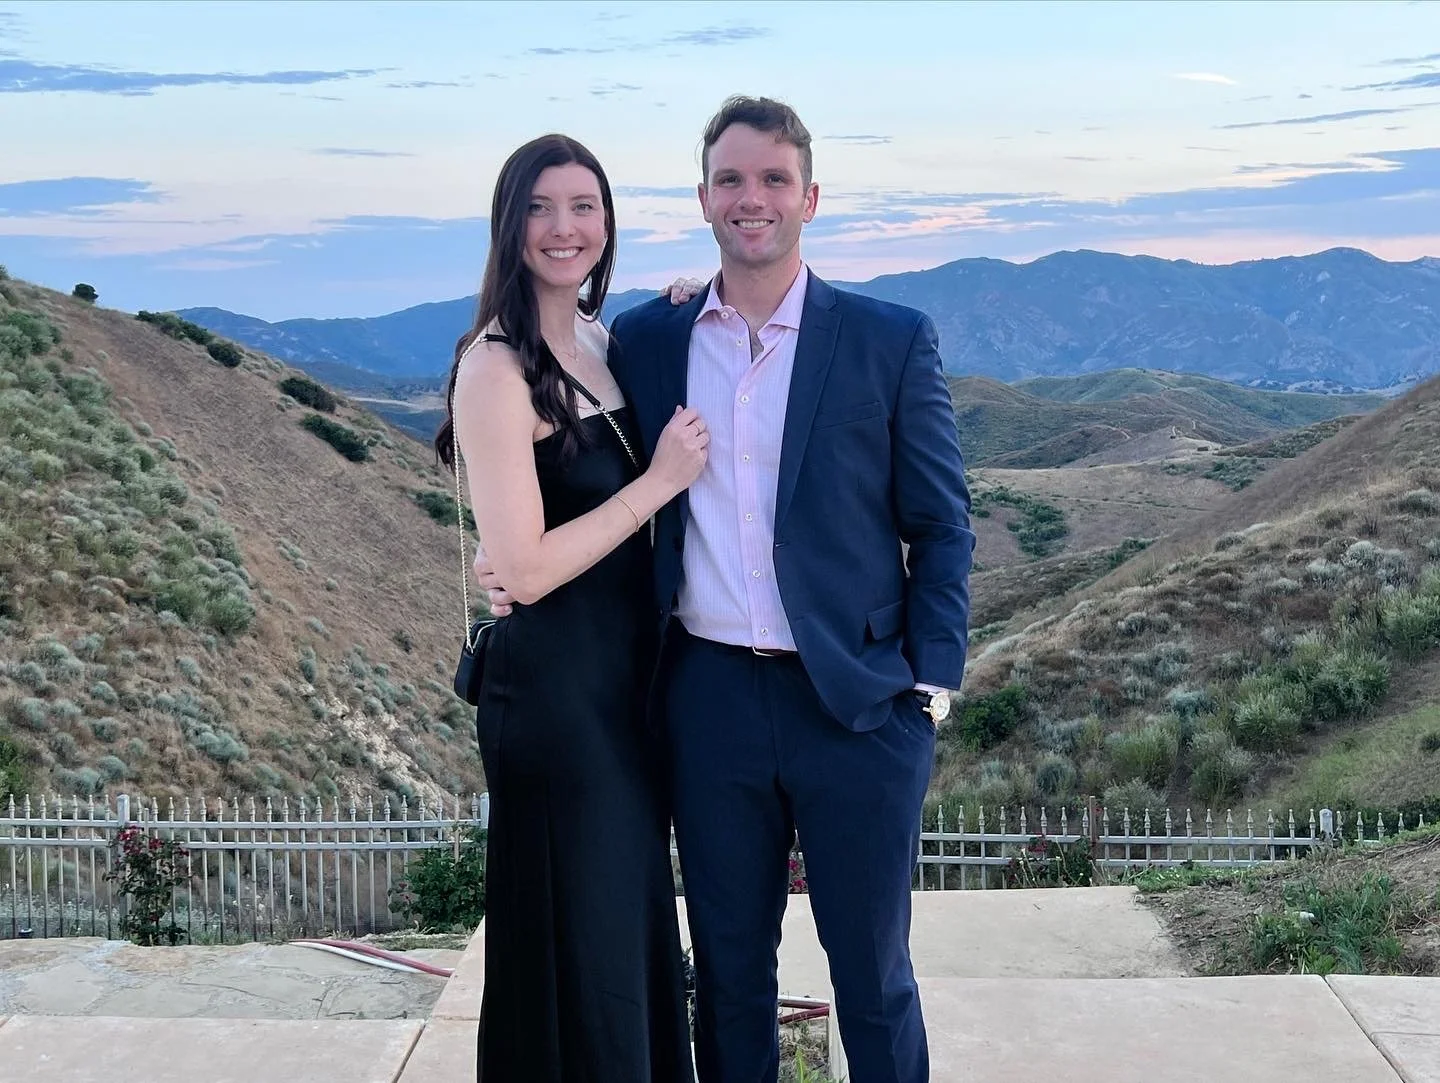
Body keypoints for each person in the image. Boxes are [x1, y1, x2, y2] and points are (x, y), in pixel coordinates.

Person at [486, 95, 975, 1083]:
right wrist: (508, 558)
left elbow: (942, 524)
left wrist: (930, 688)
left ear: (810, 197)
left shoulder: (889, 338)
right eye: (731, 181)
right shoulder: (654, 340)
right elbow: (563, 449)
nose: (752, 199)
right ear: (704, 199)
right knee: (732, 977)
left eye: (773, 180)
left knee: (872, 978)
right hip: (707, 703)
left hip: (857, 705)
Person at [435, 132, 706, 1081]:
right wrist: (659, 483)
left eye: (584, 206)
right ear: (510, 227)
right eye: (542, 208)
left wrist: (685, 306)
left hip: (624, 685)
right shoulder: (495, 368)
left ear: (607, 222)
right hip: (556, 695)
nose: (565, 227)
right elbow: (529, 569)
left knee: (623, 926)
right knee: (578, 937)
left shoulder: (601, 340)